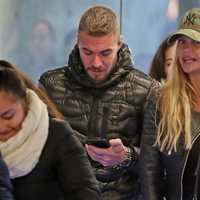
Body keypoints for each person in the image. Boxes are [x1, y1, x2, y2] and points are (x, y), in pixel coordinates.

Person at [39, 5, 159, 199]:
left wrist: (126, 157)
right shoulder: (51, 85)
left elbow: (160, 163)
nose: (96, 63)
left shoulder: (146, 90)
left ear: (119, 44)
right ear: (77, 42)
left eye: (105, 53)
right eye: (87, 52)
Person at [0, 60, 101, 200]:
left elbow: (85, 191)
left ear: (24, 102)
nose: (1, 126)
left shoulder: (55, 134)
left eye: (8, 116)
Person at [140, 8, 200, 200]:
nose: (186, 49)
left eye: (196, 42)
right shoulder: (160, 99)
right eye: (182, 42)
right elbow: (150, 171)